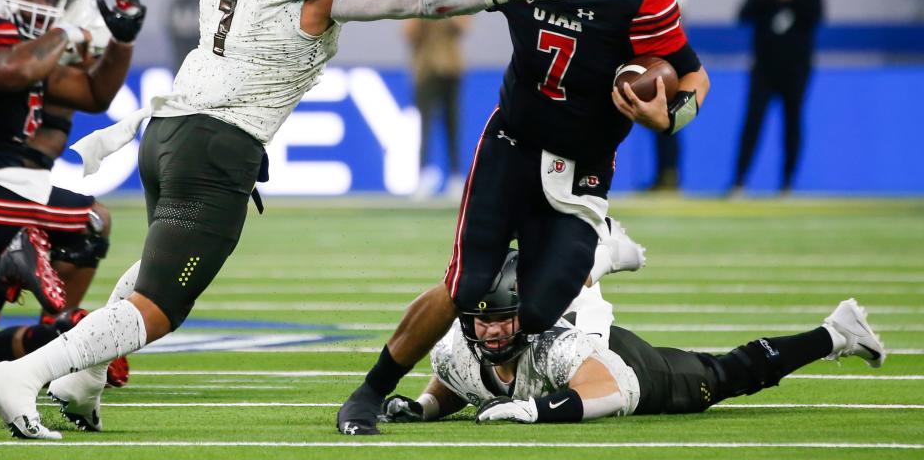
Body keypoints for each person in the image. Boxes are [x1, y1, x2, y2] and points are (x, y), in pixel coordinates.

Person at [0, 0, 575, 440]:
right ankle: (25, 374)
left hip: (169, 132)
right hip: (215, 143)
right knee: (161, 304)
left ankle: (84, 378)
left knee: (156, 262)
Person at [336, 0, 711, 435]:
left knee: (533, 312)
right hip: (512, 141)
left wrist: (671, 116)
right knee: (467, 286)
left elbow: (691, 76)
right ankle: (368, 392)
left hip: (582, 167)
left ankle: (599, 253)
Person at [379, 250, 885, 425]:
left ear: (525, 313)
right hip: (582, 343)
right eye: (481, 320)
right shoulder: (455, 348)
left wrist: (537, 411)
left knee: (724, 375)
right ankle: (602, 256)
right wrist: (422, 407)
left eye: (502, 319)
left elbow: (611, 389)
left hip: (623, 367)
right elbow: (462, 382)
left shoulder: (556, 345)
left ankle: (835, 332)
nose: (490, 331)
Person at [0, 0, 143, 402]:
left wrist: (121, 41)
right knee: (85, 222)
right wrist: (67, 32)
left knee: (74, 230)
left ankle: (47, 340)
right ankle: (55, 329)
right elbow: (11, 71)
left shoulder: (27, 46)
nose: (41, 7)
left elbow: (92, 93)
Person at [732, 0, 823, 194]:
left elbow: (815, 17)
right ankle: (739, 181)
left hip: (796, 68)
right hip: (763, 68)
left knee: (792, 122)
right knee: (753, 123)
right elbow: (743, 16)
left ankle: (787, 182)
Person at [638, 0, 687, 192]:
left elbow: (676, 19)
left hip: (665, 59)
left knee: (668, 116)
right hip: (641, 58)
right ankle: (661, 175)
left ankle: (670, 174)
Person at [407, 15, 470, 200]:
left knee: (452, 125)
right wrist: (423, 13)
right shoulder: (418, 3)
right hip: (425, 70)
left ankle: (455, 176)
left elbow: (462, 28)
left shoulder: (455, 1)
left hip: (451, 69)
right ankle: (423, 175)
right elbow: (409, 34)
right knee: (424, 126)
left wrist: (446, 11)